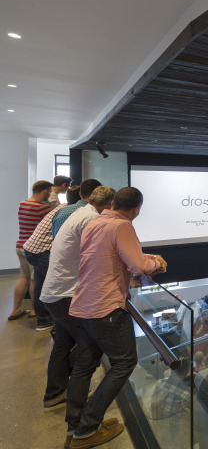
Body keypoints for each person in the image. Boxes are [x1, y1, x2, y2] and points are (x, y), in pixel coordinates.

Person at [64, 187, 167, 448]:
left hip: (84, 303)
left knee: (84, 366)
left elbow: (120, 256)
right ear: (136, 209)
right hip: (107, 307)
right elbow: (137, 266)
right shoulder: (122, 226)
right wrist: (157, 263)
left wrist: (147, 258)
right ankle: (87, 428)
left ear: (113, 202)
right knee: (124, 363)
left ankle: (76, 425)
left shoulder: (96, 222)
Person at [40, 186, 115, 411]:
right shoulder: (91, 219)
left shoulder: (80, 213)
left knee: (63, 344)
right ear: (110, 204)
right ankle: (79, 410)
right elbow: (99, 256)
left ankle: (54, 393)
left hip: (53, 293)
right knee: (91, 347)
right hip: (65, 294)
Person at [22, 186, 79, 331]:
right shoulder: (71, 211)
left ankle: (43, 320)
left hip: (31, 248)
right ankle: (61, 324)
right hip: (43, 251)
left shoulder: (62, 207)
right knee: (55, 286)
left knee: (41, 284)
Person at [9, 180, 52, 321]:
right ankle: (34, 310)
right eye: (49, 191)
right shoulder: (42, 208)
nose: (50, 194)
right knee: (35, 280)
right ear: (44, 190)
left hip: (20, 246)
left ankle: (16, 309)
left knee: (23, 277)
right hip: (32, 248)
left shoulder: (23, 204)